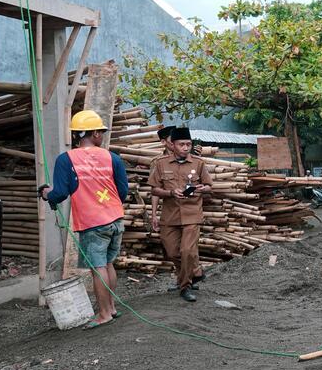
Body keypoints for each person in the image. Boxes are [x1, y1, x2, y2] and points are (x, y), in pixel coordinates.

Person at [40, 110, 129, 328]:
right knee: (107, 264)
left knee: (97, 267)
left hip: (93, 223)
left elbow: (59, 193)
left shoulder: (66, 159)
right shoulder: (112, 158)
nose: (102, 136)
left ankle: (104, 313)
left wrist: (45, 194)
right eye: (101, 132)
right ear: (95, 133)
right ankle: (112, 308)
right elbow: (123, 191)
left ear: (76, 135)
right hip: (115, 219)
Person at [148, 127, 213, 302]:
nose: (186, 147)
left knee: (187, 251)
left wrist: (202, 188)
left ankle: (185, 286)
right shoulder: (160, 164)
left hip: (192, 214)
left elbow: (209, 186)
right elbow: (154, 189)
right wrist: (170, 193)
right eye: (182, 144)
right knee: (172, 251)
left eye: (188, 144)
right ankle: (195, 272)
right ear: (173, 145)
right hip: (170, 216)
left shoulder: (198, 164)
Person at [149, 125, 175, 235]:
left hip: (188, 211)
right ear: (164, 142)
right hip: (167, 211)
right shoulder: (157, 162)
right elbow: (155, 190)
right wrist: (154, 215)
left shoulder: (191, 159)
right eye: (172, 139)